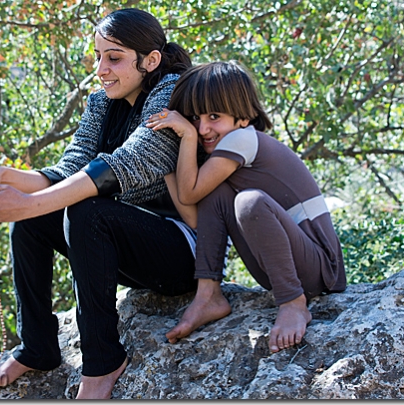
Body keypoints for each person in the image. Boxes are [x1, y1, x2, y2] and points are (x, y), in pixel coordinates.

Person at [0, 8, 198, 399]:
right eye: (97, 56)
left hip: (182, 251)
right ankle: (36, 347)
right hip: (128, 246)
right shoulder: (103, 102)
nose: (100, 68)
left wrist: (26, 203)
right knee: (35, 217)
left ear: (150, 60)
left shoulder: (172, 92)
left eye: (114, 58)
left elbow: (124, 166)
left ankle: (103, 362)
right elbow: (70, 169)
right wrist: (3, 175)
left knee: (83, 210)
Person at [146, 61, 347, 354]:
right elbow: (194, 216)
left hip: (321, 270)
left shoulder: (244, 139)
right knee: (219, 195)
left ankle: (293, 304)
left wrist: (187, 137)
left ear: (243, 116)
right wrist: (165, 160)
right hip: (280, 270)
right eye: (195, 119)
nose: (203, 128)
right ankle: (208, 295)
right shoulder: (223, 159)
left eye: (214, 116)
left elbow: (187, 193)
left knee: (249, 201)